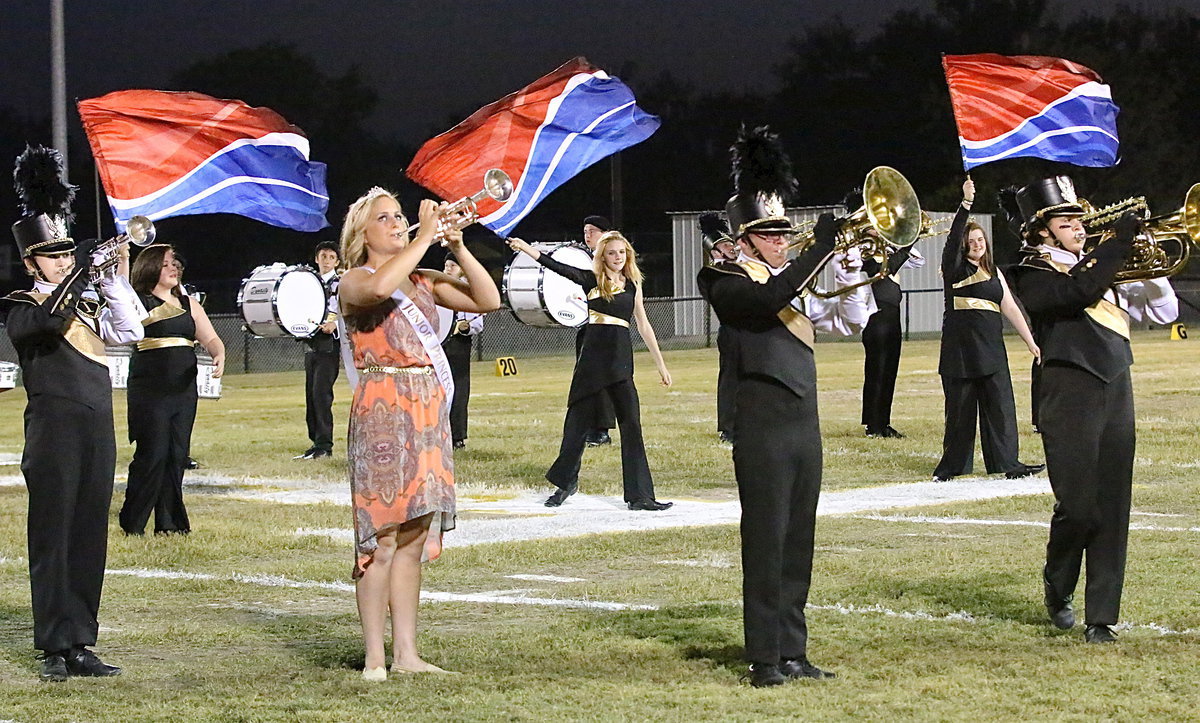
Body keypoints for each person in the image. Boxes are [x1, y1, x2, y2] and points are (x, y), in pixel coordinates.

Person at [1004, 175, 1178, 643]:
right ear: (1042, 231)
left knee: (1112, 506)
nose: (1079, 227)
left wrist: (1148, 257)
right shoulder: (1029, 271)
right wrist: (1118, 242)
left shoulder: (1104, 265)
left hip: (1116, 386)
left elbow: (1163, 313)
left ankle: (1102, 617)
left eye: (1080, 218)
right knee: (1078, 507)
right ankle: (1057, 584)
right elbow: (1076, 294)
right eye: (1066, 220)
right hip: (1068, 392)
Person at [336, 187, 500, 680]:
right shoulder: (354, 279)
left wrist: (457, 247)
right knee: (380, 540)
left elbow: (487, 300)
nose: (395, 223)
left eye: (399, 216)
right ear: (361, 233)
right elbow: (381, 290)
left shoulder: (424, 278)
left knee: (412, 538)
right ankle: (373, 658)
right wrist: (424, 235)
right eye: (384, 218)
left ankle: (407, 654)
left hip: (427, 411)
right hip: (382, 411)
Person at [696, 125, 837, 688]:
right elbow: (764, 302)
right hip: (761, 426)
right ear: (746, 238)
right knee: (766, 539)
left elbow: (852, 306)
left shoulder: (789, 279)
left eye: (785, 232)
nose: (783, 241)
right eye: (772, 234)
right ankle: (765, 657)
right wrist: (820, 249)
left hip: (805, 425)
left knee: (799, 540)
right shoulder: (721, 278)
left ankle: (794, 651)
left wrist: (881, 253)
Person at [1, 144, 145, 681]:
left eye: (67, 254)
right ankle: (52, 646)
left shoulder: (81, 297)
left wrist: (109, 278)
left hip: (96, 427)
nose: (63, 261)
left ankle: (81, 640)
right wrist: (81, 272)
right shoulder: (22, 304)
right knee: (53, 535)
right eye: (54, 255)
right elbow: (49, 320)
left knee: (88, 535)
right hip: (53, 430)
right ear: (31, 261)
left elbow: (131, 330)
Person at [507, 231, 674, 511]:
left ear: (628, 255)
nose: (618, 258)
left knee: (632, 425)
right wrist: (525, 248)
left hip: (620, 361)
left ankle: (640, 496)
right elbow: (556, 267)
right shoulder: (591, 280)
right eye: (612, 253)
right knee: (577, 424)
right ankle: (565, 483)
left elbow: (643, 324)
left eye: (622, 252)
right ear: (603, 256)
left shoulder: (633, 283)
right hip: (592, 360)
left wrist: (661, 364)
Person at [933, 177, 1045, 483]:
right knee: (960, 413)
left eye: (981, 239)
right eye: (972, 240)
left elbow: (1010, 307)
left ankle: (1009, 463)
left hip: (992, 350)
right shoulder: (955, 268)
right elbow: (955, 236)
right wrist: (966, 204)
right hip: (961, 352)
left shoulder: (993, 271)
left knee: (1001, 410)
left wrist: (1031, 342)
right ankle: (951, 468)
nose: (976, 244)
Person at [119, 244, 225, 535]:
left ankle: (169, 523)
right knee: (152, 453)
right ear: (151, 267)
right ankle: (134, 521)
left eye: (175, 263)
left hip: (183, 388)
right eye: (166, 263)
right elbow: (120, 291)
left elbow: (211, 338)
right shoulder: (138, 301)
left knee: (177, 453)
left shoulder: (189, 303)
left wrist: (219, 353)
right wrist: (124, 258)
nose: (174, 267)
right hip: (149, 386)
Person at [860, 228, 925, 438]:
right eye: (873, 229)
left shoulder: (886, 251)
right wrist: (908, 242)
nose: (878, 233)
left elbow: (918, 261)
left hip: (891, 316)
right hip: (877, 317)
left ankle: (881, 422)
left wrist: (901, 241)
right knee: (877, 370)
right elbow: (887, 270)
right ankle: (874, 424)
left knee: (888, 371)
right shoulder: (865, 255)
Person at [295, 240, 341, 460]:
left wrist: (335, 324)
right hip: (311, 342)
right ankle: (315, 442)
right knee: (311, 395)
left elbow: (346, 309)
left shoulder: (341, 282)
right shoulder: (309, 282)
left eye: (331, 257)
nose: (327, 260)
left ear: (337, 261)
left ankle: (325, 444)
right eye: (323, 256)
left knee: (322, 394)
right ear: (316, 259)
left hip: (329, 344)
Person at [579, 214, 617, 447]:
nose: (587, 235)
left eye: (592, 230)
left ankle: (601, 429)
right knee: (585, 378)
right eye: (585, 231)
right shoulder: (583, 259)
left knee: (603, 380)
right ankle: (588, 425)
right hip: (586, 326)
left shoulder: (613, 261)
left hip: (606, 328)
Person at [440, 255, 485, 449]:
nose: (448, 269)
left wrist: (466, 327)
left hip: (459, 344)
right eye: (446, 265)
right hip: (439, 343)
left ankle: (457, 435)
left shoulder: (468, 290)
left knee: (459, 389)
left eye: (452, 266)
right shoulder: (438, 288)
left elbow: (478, 322)